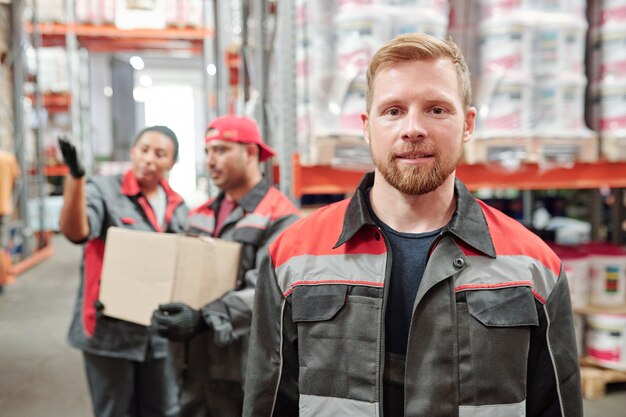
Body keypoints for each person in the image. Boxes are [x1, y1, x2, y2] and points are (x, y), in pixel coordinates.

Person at [243, 33, 583, 417]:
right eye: (393, 111)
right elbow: (268, 402)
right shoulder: (292, 256)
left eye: (437, 109)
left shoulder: (534, 266)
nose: (413, 128)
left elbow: (556, 405)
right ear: (367, 126)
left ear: (467, 124)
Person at [151, 114, 300, 417]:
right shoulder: (200, 214)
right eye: (207, 152)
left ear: (250, 153)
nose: (210, 160)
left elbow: (266, 289)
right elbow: (181, 274)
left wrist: (206, 316)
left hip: (245, 364)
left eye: (220, 150)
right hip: (196, 360)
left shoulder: (279, 216)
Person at [58, 126, 188, 417]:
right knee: (115, 411)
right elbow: (76, 232)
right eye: (144, 150)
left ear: (171, 163)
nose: (149, 159)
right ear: (132, 152)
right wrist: (76, 180)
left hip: (158, 337)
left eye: (160, 154)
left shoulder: (178, 206)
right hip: (109, 335)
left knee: (162, 410)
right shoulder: (103, 191)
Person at [0, 149, 20, 293]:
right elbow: (16, 179)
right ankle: (2, 280)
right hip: (4, 206)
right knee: (1, 245)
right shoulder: (8, 158)